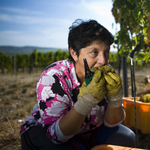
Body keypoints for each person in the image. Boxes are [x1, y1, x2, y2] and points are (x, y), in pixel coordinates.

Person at [20, 19, 136, 150]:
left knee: (128, 139)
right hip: (46, 133)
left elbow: (112, 123)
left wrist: (115, 98)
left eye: (106, 52)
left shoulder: (106, 74)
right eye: (94, 52)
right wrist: (87, 100)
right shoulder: (53, 77)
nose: (103, 60)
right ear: (74, 53)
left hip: (88, 131)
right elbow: (56, 136)